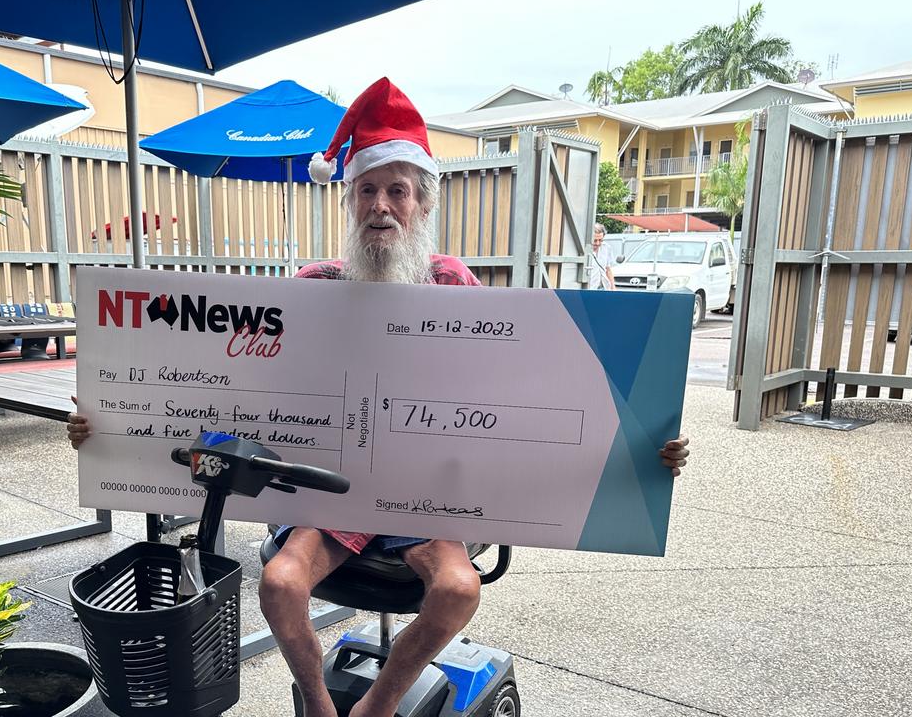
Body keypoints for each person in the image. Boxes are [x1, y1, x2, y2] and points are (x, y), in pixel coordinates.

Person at [66, 78, 691, 717]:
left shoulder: (457, 285)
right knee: (280, 583)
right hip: (333, 490)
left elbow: (533, 393)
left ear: (422, 203)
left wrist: (644, 448)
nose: (382, 205)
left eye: (398, 190)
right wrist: (110, 422)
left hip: (430, 494)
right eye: (368, 189)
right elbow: (227, 386)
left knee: (455, 589)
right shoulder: (311, 288)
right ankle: (317, 704)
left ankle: (379, 707)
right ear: (351, 201)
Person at [588, 222, 616, 290]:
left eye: (600, 240)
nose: (598, 243)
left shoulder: (606, 248)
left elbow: (608, 270)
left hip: (603, 288)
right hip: (589, 288)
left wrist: (613, 288)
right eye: (595, 240)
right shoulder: (584, 249)